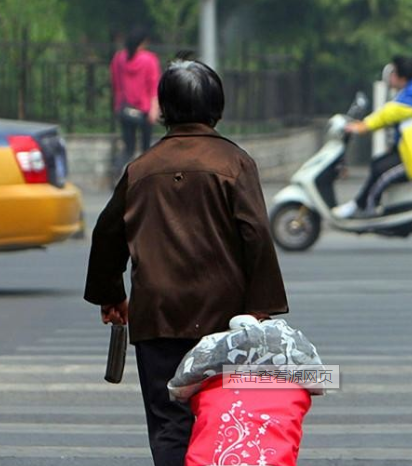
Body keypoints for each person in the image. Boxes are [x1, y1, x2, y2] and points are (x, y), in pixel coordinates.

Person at [84, 55, 288, 466]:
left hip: (157, 317)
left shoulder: (141, 169)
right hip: (225, 319)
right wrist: (260, 309)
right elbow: (257, 236)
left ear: (163, 111)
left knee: (170, 423)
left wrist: (112, 296)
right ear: (218, 108)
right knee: (223, 419)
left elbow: (107, 233)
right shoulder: (235, 164)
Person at [333, 55, 412, 219]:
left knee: (382, 172)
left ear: (402, 77)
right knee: (377, 164)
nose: (390, 76)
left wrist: (361, 126)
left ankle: (367, 209)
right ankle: (362, 205)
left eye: (393, 72)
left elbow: (388, 114)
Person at [110, 26, 161, 165]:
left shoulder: (119, 59)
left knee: (128, 149)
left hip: (125, 108)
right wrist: (154, 109)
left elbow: (115, 83)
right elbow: (153, 86)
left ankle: (118, 175)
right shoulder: (150, 59)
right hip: (144, 110)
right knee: (146, 149)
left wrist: (117, 105)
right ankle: (145, 178)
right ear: (143, 42)